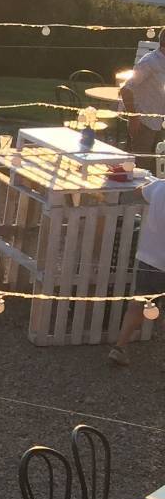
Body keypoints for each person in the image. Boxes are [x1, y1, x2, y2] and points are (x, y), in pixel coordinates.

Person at [110, 169, 165, 365]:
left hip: (149, 257)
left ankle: (120, 346)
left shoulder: (159, 188)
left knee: (139, 303)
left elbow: (139, 192)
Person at [121, 43, 165, 154]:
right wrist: (133, 117)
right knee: (141, 165)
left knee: (157, 165)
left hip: (159, 123)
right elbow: (126, 89)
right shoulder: (149, 62)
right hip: (144, 123)